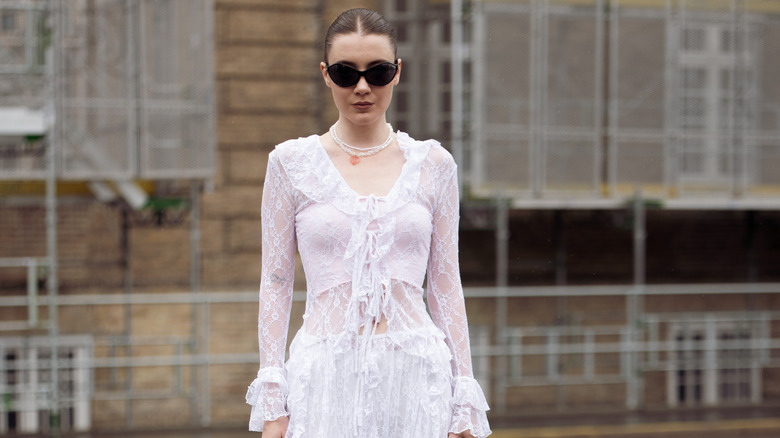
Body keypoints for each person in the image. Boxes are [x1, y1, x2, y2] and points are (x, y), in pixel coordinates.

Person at [245, 8, 491, 438]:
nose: (362, 87)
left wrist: (464, 395)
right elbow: (277, 280)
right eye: (346, 73)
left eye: (377, 72)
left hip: (418, 378)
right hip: (324, 378)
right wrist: (272, 399)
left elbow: (445, 282)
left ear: (397, 73)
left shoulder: (434, 165)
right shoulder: (290, 164)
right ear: (326, 75)